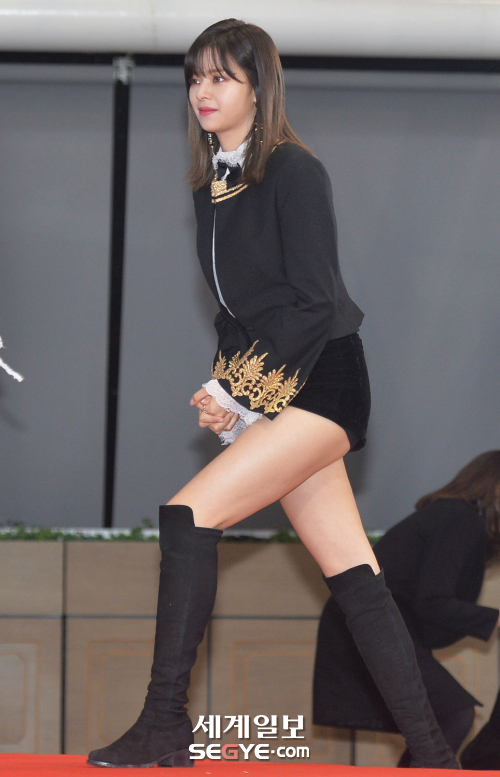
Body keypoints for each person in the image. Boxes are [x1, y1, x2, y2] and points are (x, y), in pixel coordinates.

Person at [87, 19, 457, 769]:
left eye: (221, 77)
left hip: (325, 383)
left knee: (188, 516)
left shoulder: (294, 170)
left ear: (259, 88)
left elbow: (315, 304)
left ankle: (165, 721)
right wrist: (228, 391)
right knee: (356, 576)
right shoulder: (212, 187)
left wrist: (238, 386)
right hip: (279, 383)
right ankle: (433, 752)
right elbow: (237, 314)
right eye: (195, 77)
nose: (203, 91)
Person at [314, 450, 500, 767]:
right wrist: (494, 619)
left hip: (374, 624)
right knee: (452, 715)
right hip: (368, 625)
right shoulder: (459, 517)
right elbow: (434, 603)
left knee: (441, 720)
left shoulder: (457, 517)